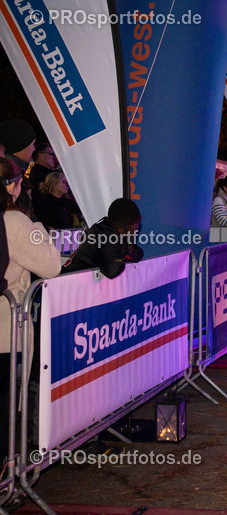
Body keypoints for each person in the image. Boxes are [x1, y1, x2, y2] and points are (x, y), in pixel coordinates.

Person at [0, 158, 61, 461]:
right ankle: (8, 468)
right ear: (13, 187)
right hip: (5, 331)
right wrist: (37, 227)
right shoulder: (15, 222)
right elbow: (51, 265)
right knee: (6, 409)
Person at [62, 198, 144, 279]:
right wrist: (123, 257)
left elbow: (137, 253)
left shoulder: (108, 230)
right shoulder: (104, 237)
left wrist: (126, 253)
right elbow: (112, 270)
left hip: (71, 280)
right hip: (67, 282)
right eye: (136, 224)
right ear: (132, 226)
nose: (137, 229)